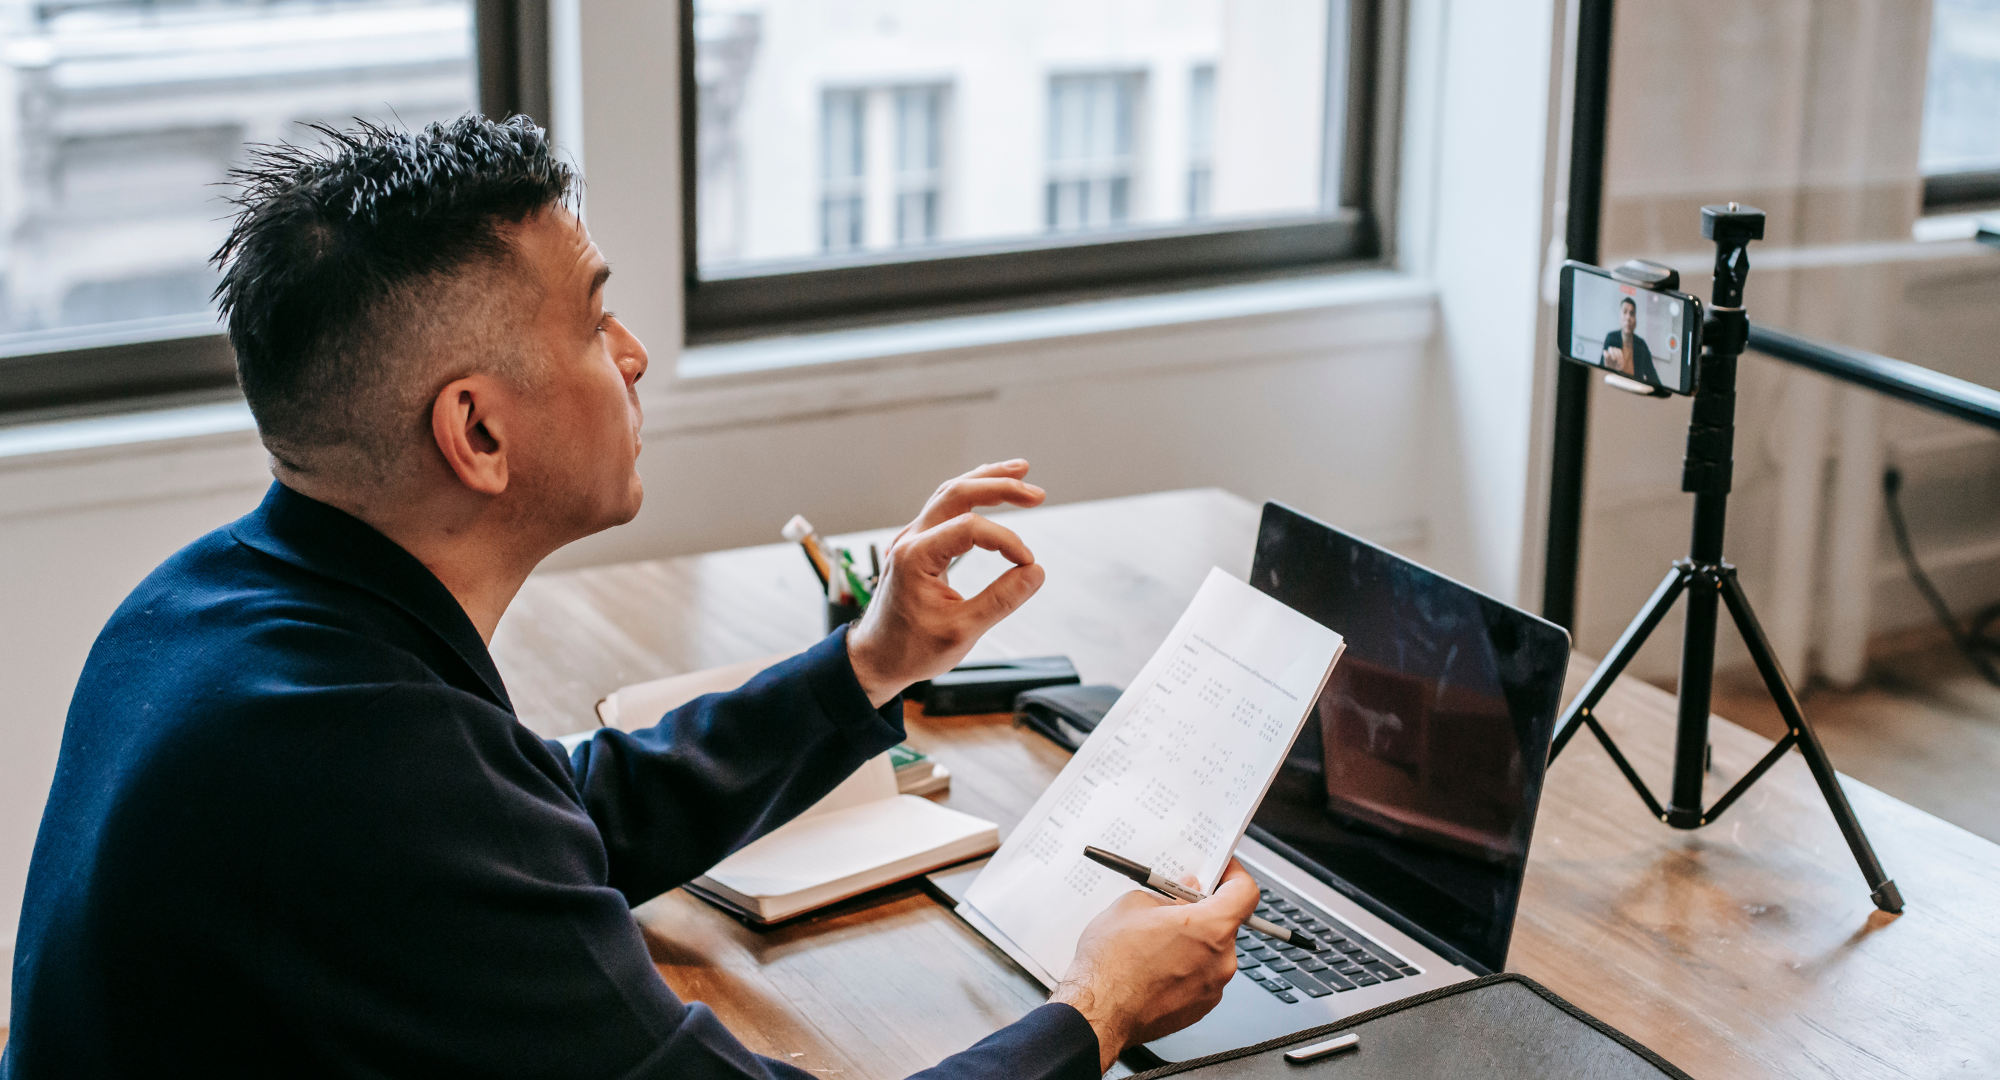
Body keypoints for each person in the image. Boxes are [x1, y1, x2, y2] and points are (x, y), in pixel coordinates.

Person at [1, 116, 1257, 1079]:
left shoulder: (212, 611)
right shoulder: (356, 767)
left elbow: (559, 811)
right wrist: (1095, 1007)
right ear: (477, 433)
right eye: (596, 321)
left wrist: (871, 660)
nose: (636, 355)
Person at [1601, 296, 1660, 385]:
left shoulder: (1641, 344)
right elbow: (1601, 367)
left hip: (1634, 387)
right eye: (1625, 312)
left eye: (1632, 313)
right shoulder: (1611, 338)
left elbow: (1652, 375)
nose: (1628, 317)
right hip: (1616, 384)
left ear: (1636, 319)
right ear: (1620, 316)